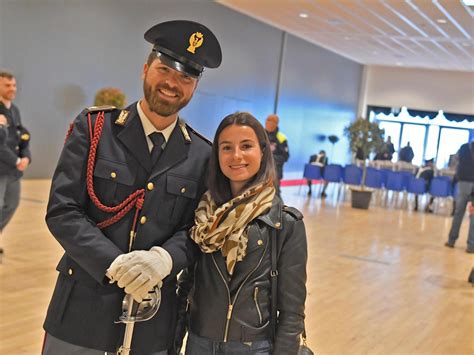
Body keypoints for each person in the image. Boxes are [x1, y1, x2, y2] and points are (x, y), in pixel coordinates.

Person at [42, 20, 222, 355]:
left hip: (153, 320)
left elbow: (196, 228)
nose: (172, 83)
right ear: (145, 68)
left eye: (186, 77)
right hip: (82, 310)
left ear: (195, 87)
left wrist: (165, 259)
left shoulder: (201, 155)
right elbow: (62, 210)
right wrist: (113, 263)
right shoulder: (95, 130)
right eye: (164, 69)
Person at [174, 112, 307, 355]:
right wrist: (173, 345)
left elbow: (292, 311)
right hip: (199, 343)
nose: (236, 156)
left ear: (263, 151)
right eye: (226, 148)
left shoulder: (285, 223)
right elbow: (186, 286)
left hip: (253, 347)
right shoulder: (204, 217)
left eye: (246, 146)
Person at [0, 71, 31, 255]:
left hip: (13, 170)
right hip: (2, 168)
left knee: (11, 205)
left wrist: (26, 156)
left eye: (14, 85)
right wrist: (17, 160)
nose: (12, 89)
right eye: (7, 85)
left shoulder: (14, 110)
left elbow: (23, 136)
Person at [445, 140, 474, 253]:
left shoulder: (464, 147)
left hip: (463, 184)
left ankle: (451, 241)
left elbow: (455, 161)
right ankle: (471, 246)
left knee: (458, 213)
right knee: (473, 216)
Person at [265, 114, 289, 197]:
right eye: (267, 120)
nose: (268, 123)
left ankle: (279, 209)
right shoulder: (260, 135)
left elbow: (285, 157)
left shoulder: (281, 138)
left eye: (271, 121)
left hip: (275, 172)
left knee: (275, 195)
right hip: (261, 172)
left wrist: (269, 158)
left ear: (276, 124)